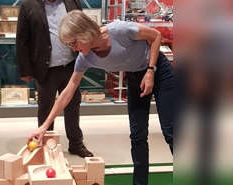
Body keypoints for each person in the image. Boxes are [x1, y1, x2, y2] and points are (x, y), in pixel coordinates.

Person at [28, 10, 173, 185]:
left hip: (158, 70)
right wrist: (44, 126)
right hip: (135, 77)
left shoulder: (120, 30)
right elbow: (67, 92)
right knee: (137, 135)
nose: (73, 49)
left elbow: (156, 36)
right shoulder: (85, 58)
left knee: (170, 130)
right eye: (69, 45)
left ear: (84, 32)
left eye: (73, 43)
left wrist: (151, 71)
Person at [16, 0, 93, 158]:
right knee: (46, 109)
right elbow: (22, 40)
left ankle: (76, 144)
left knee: (73, 106)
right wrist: (25, 69)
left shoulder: (72, 0)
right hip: (45, 69)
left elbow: (83, 29)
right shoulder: (27, 5)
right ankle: (45, 146)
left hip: (72, 66)